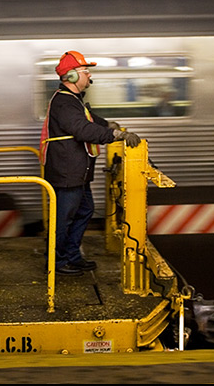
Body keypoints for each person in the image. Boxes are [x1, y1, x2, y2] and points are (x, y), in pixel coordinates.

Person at [40, 51, 141, 276]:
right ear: (72, 77)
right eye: (85, 71)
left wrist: (107, 124)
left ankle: (73, 256)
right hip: (67, 172)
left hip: (77, 172)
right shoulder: (64, 102)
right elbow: (81, 128)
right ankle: (56, 262)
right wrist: (115, 135)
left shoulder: (74, 100)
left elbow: (89, 118)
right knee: (63, 219)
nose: (89, 75)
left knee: (85, 210)